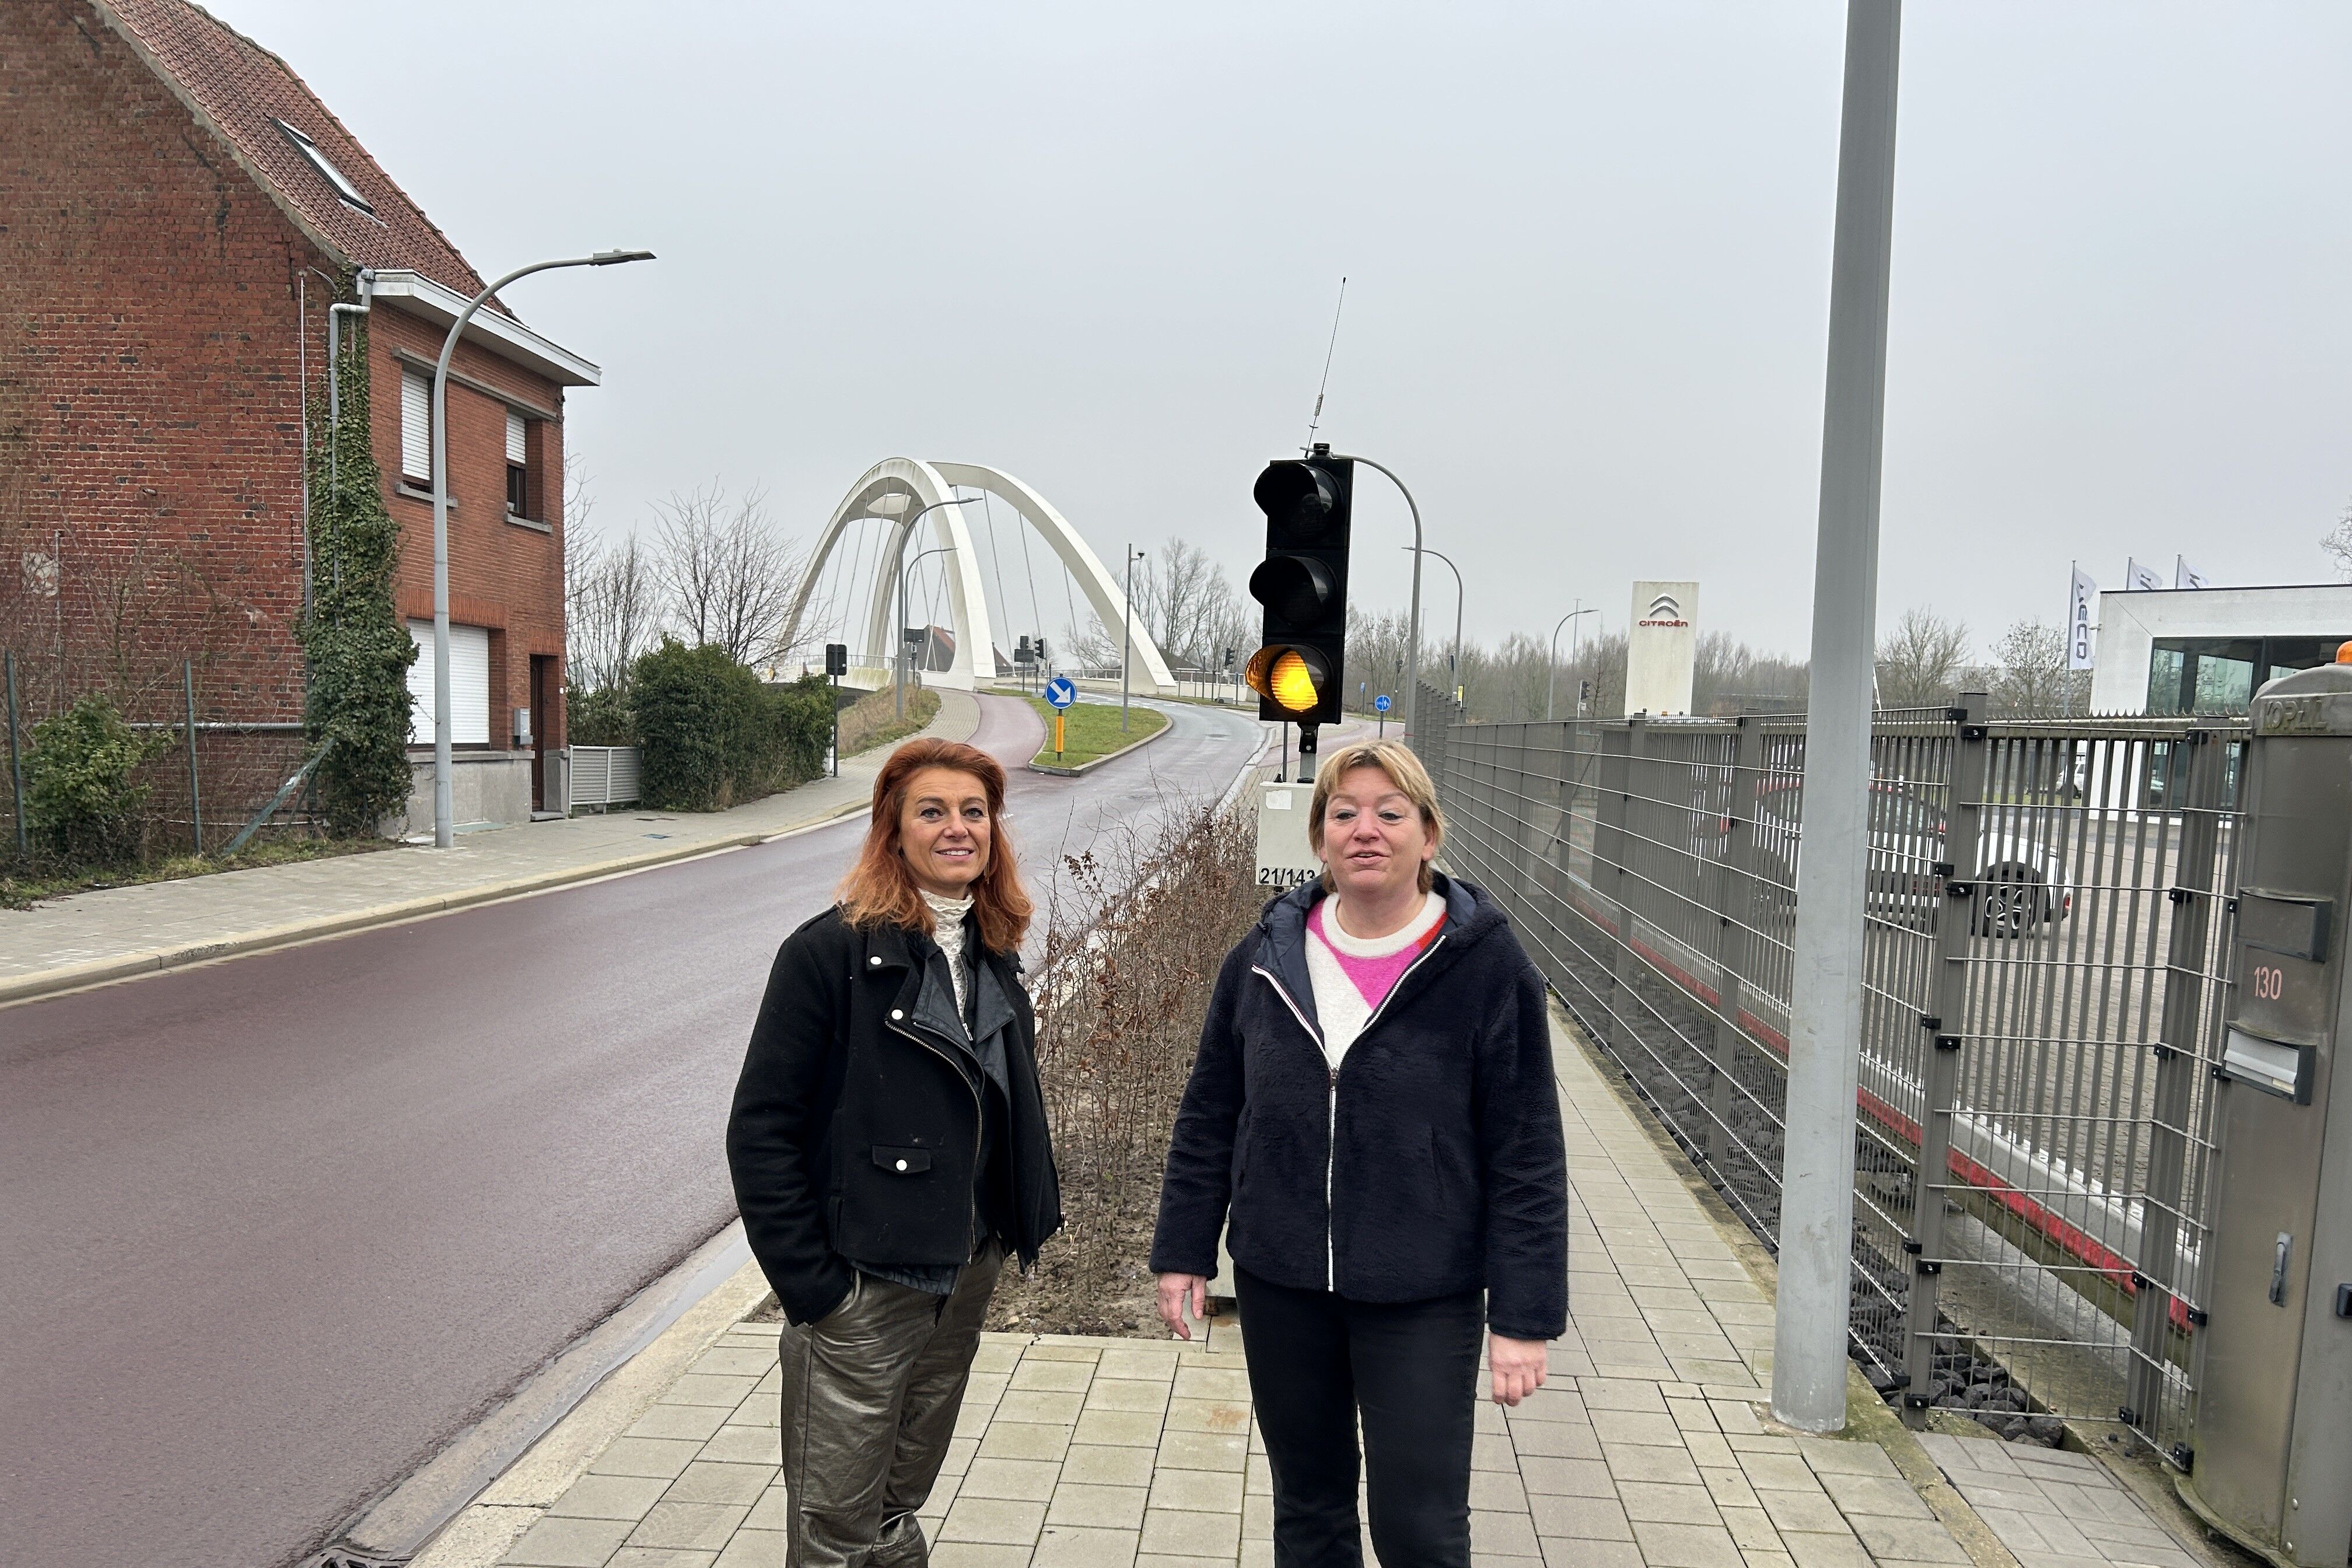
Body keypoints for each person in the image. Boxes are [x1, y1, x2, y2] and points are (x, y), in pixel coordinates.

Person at [1151, 738, 1567, 1568]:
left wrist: (1524, 1318)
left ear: (1429, 834)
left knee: (1419, 1528)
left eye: (1390, 813)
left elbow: (1527, 1152)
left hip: (1423, 1291)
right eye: (1344, 814)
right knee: (1308, 1513)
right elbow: (1210, 1113)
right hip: (1281, 1281)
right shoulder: (1263, 959)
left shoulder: (1487, 967)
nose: (1365, 830)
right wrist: (1184, 1250)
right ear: (1319, 839)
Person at [727, 737, 1061, 1568]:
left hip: (962, 1277)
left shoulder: (992, 952)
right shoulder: (829, 955)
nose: (958, 828)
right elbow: (760, 1129)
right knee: (835, 1531)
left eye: (975, 812)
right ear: (893, 830)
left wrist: (1008, 1229)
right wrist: (818, 1292)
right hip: (864, 1287)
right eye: (932, 811)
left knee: (895, 1501)